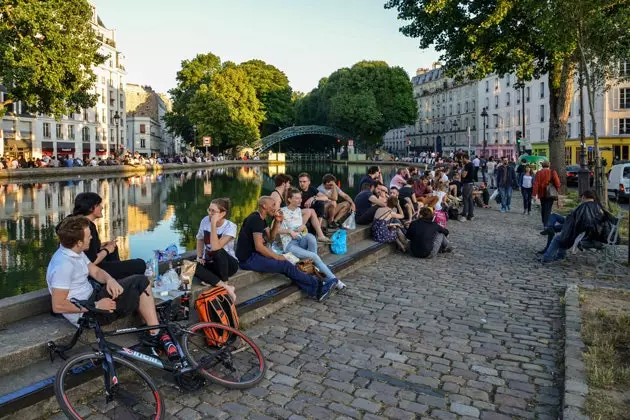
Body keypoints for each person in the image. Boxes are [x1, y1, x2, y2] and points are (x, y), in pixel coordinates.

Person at [47, 216, 180, 360]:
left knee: (134, 283)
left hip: (93, 296)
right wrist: (96, 305)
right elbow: (58, 306)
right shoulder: (63, 265)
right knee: (141, 282)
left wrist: (110, 280)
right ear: (78, 242)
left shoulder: (74, 252)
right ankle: (155, 334)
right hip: (88, 312)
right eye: (88, 235)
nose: (91, 237)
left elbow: (96, 271)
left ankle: (153, 329)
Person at [236, 196, 338, 302]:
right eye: (273, 205)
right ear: (264, 206)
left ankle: (316, 291)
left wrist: (277, 221)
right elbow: (259, 246)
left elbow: (271, 238)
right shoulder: (255, 219)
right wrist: (278, 257)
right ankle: (320, 287)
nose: (275, 208)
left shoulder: (262, 219)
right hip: (248, 259)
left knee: (289, 265)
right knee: (285, 264)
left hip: (255, 255)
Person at [67, 192, 145, 279]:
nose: (102, 207)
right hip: (91, 270)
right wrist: (107, 250)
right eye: (98, 205)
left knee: (113, 247)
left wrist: (101, 246)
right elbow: (92, 261)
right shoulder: (87, 227)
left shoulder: (75, 222)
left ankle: (118, 280)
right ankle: (120, 281)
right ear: (90, 208)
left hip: (85, 265)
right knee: (140, 264)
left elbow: (85, 251)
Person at [279, 189, 346, 289]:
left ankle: (313, 267)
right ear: (289, 199)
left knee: (310, 237)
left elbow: (301, 227)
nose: (300, 200)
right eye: (297, 198)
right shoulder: (281, 212)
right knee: (314, 256)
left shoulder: (298, 210)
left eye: (300, 198)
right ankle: (335, 280)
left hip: (300, 241)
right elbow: (275, 231)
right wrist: (289, 231)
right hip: (290, 245)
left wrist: (302, 226)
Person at [541, 190, 613, 263]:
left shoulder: (584, 207)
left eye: (581, 197)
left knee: (560, 237)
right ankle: (559, 254)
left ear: (584, 197)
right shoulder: (599, 207)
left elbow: (581, 225)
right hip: (596, 236)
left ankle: (547, 258)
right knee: (564, 232)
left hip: (585, 236)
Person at [194, 198, 237, 301]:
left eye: (213, 211)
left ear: (222, 213)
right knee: (191, 267)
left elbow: (215, 247)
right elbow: (200, 239)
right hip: (211, 261)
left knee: (218, 252)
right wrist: (199, 257)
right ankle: (226, 287)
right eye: (209, 210)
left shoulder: (231, 227)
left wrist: (213, 224)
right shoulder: (205, 220)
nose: (210, 213)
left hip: (228, 264)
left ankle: (222, 282)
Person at [295, 173, 331, 243]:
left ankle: (318, 230)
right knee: (311, 210)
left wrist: (313, 198)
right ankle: (319, 233)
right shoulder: (297, 191)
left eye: (304, 181)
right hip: (301, 214)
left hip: (312, 214)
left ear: (309, 182)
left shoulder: (312, 189)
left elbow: (325, 197)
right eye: (300, 181)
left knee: (320, 203)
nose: (302, 184)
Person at [532, 161, 561, 227]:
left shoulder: (538, 173)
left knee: (543, 207)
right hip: (550, 193)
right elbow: (557, 183)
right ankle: (546, 224)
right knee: (548, 209)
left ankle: (544, 221)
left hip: (541, 193)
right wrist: (557, 188)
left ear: (542, 165)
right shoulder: (552, 172)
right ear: (549, 165)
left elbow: (536, 184)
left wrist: (534, 194)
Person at [460, 154, 475, 221]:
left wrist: (463, 168)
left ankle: (464, 215)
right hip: (470, 183)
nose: (461, 160)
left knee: (465, 199)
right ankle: (471, 215)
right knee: (470, 199)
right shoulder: (472, 164)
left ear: (465, 158)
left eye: (462, 159)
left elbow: (463, 175)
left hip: (467, 184)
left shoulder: (467, 165)